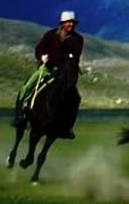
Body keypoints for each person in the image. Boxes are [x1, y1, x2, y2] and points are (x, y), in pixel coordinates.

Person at [13, 11, 84, 139]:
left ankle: (68, 127)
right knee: (26, 88)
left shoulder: (78, 40)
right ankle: (19, 118)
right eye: (68, 22)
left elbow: (76, 57)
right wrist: (42, 56)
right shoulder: (50, 35)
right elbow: (39, 49)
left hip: (65, 75)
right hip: (48, 70)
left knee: (76, 98)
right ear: (62, 24)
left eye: (73, 23)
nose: (71, 25)